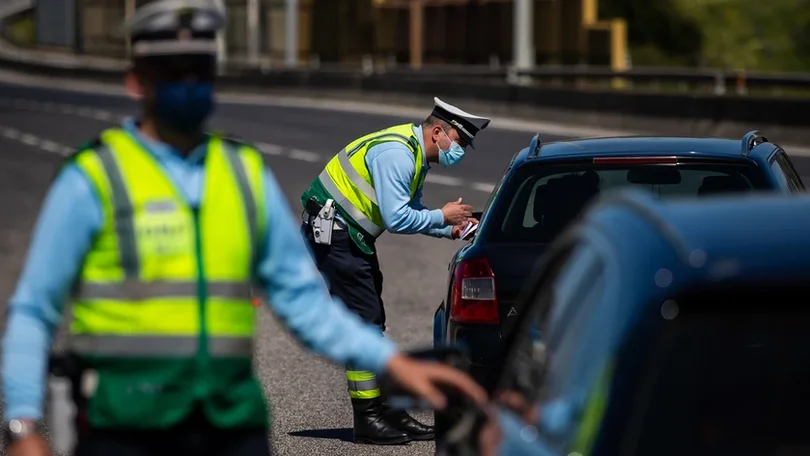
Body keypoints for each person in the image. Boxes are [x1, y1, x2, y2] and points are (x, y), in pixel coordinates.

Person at [0, 2, 487, 456]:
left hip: (231, 424)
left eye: (200, 70)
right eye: (171, 72)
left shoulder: (242, 175)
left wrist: (395, 365)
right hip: (125, 426)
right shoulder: (94, 179)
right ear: (136, 82)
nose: (188, 83)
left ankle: (371, 411)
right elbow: (34, 309)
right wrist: (21, 425)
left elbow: (303, 303)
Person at [299, 98, 491, 444]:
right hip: (336, 235)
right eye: (460, 143)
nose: (461, 151)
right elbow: (397, 218)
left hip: (350, 237)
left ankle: (386, 409)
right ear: (438, 132)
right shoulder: (398, 155)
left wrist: (451, 229)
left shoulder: (414, 153)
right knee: (364, 321)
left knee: (373, 320)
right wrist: (443, 217)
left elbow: (411, 210)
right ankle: (368, 418)